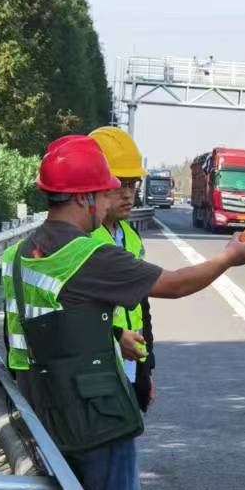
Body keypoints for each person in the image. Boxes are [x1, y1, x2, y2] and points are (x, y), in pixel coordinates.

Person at [1, 133, 245, 490]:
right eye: (106, 192)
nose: (111, 202)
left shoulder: (19, 254)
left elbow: (51, 325)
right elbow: (176, 285)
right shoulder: (88, 253)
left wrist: (113, 338)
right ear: (86, 198)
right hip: (93, 415)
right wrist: (228, 258)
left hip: (37, 403)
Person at [88, 125, 156, 415]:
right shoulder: (82, 239)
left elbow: (142, 303)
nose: (128, 195)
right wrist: (116, 336)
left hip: (129, 366)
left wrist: (146, 368)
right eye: (119, 184)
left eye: (132, 184)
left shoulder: (130, 236)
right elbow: (72, 312)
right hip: (94, 373)